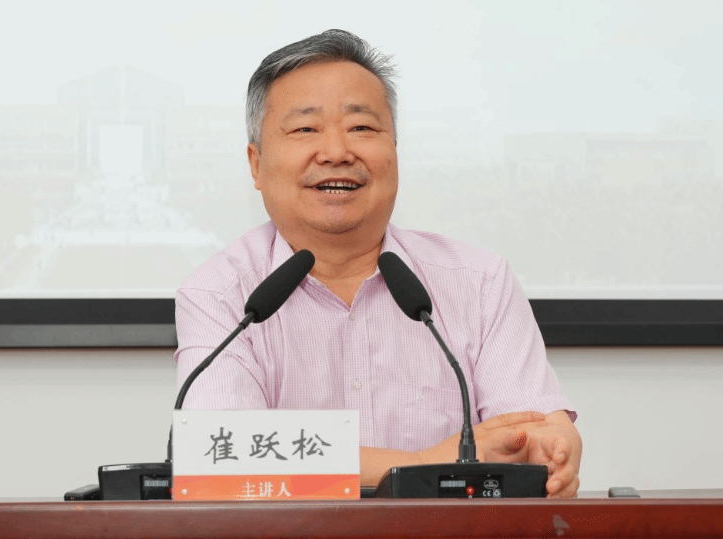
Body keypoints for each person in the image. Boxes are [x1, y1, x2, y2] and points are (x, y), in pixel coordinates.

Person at [174, 29, 581, 497]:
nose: (337, 152)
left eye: (362, 128)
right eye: (306, 129)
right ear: (256, 165)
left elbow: (529, 432)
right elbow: (223, 453)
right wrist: (427, 464)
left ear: (395, 152)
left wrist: (552, 445)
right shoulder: (219, 295)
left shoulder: (480, 283)